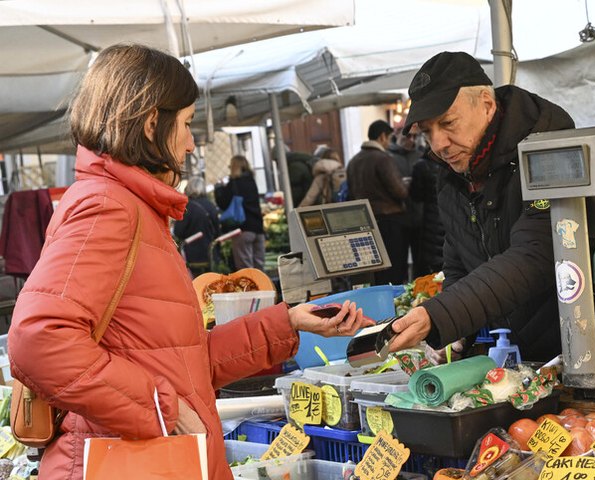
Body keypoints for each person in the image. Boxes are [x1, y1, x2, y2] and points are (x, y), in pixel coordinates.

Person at [7, 44, 372, 480]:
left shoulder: (135, 210)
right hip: (127, 463)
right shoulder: (109, 208)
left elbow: (182, 362)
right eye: (185, 123)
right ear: (149, 125)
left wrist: (287, 323)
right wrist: (164, 408)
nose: (192, 142)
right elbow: (38, 340)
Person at [388, 51, 575, 364]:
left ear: (487, 105)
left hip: (575, 346)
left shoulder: (548, 145)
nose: (438, 144)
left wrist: (441, 314)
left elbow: (537, 253)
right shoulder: (453, 171)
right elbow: (459, 257)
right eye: (427, 132)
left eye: (447, 123)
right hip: (518, 358)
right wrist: (457, 330)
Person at [346, 120, 410, 285]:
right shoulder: (382, 159)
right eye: (389, 138)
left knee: (377, 272)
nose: (389, 143)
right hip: (389, 222)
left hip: (365, 223)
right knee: (394, 271)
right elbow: (399, 191)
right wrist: (406, 184)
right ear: (382, 136)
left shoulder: (353, 161)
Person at [215, 155, 266, 271]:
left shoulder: (234, 183)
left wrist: (218, 189)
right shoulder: (251, 181)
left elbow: (223, 202)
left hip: (242, 229)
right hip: (258, 229)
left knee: (245, 269)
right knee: (259, 268)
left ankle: (251, 290)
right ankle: (263, 288)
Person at [388, 128, 425, 280]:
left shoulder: (420, 154)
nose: (412, 140)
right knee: (398, 261)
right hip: (398, 217)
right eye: (408, 136)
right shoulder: (388, 157)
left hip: (420, 215)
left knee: (420, 259)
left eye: (415, 136)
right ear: (397, 135)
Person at [174, 176, 221, 277]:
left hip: (192, 255)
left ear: (189, 188)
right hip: (210, 253)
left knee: (195, 284)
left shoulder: (187, 207)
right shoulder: (211, 205)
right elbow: (217, 231)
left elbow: (178, 231)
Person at [409, 151, 445, 277]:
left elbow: (416, 196)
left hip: (431, 222)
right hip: (449, 219)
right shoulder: (453, 164)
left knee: (430, 269)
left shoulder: (421, 166)